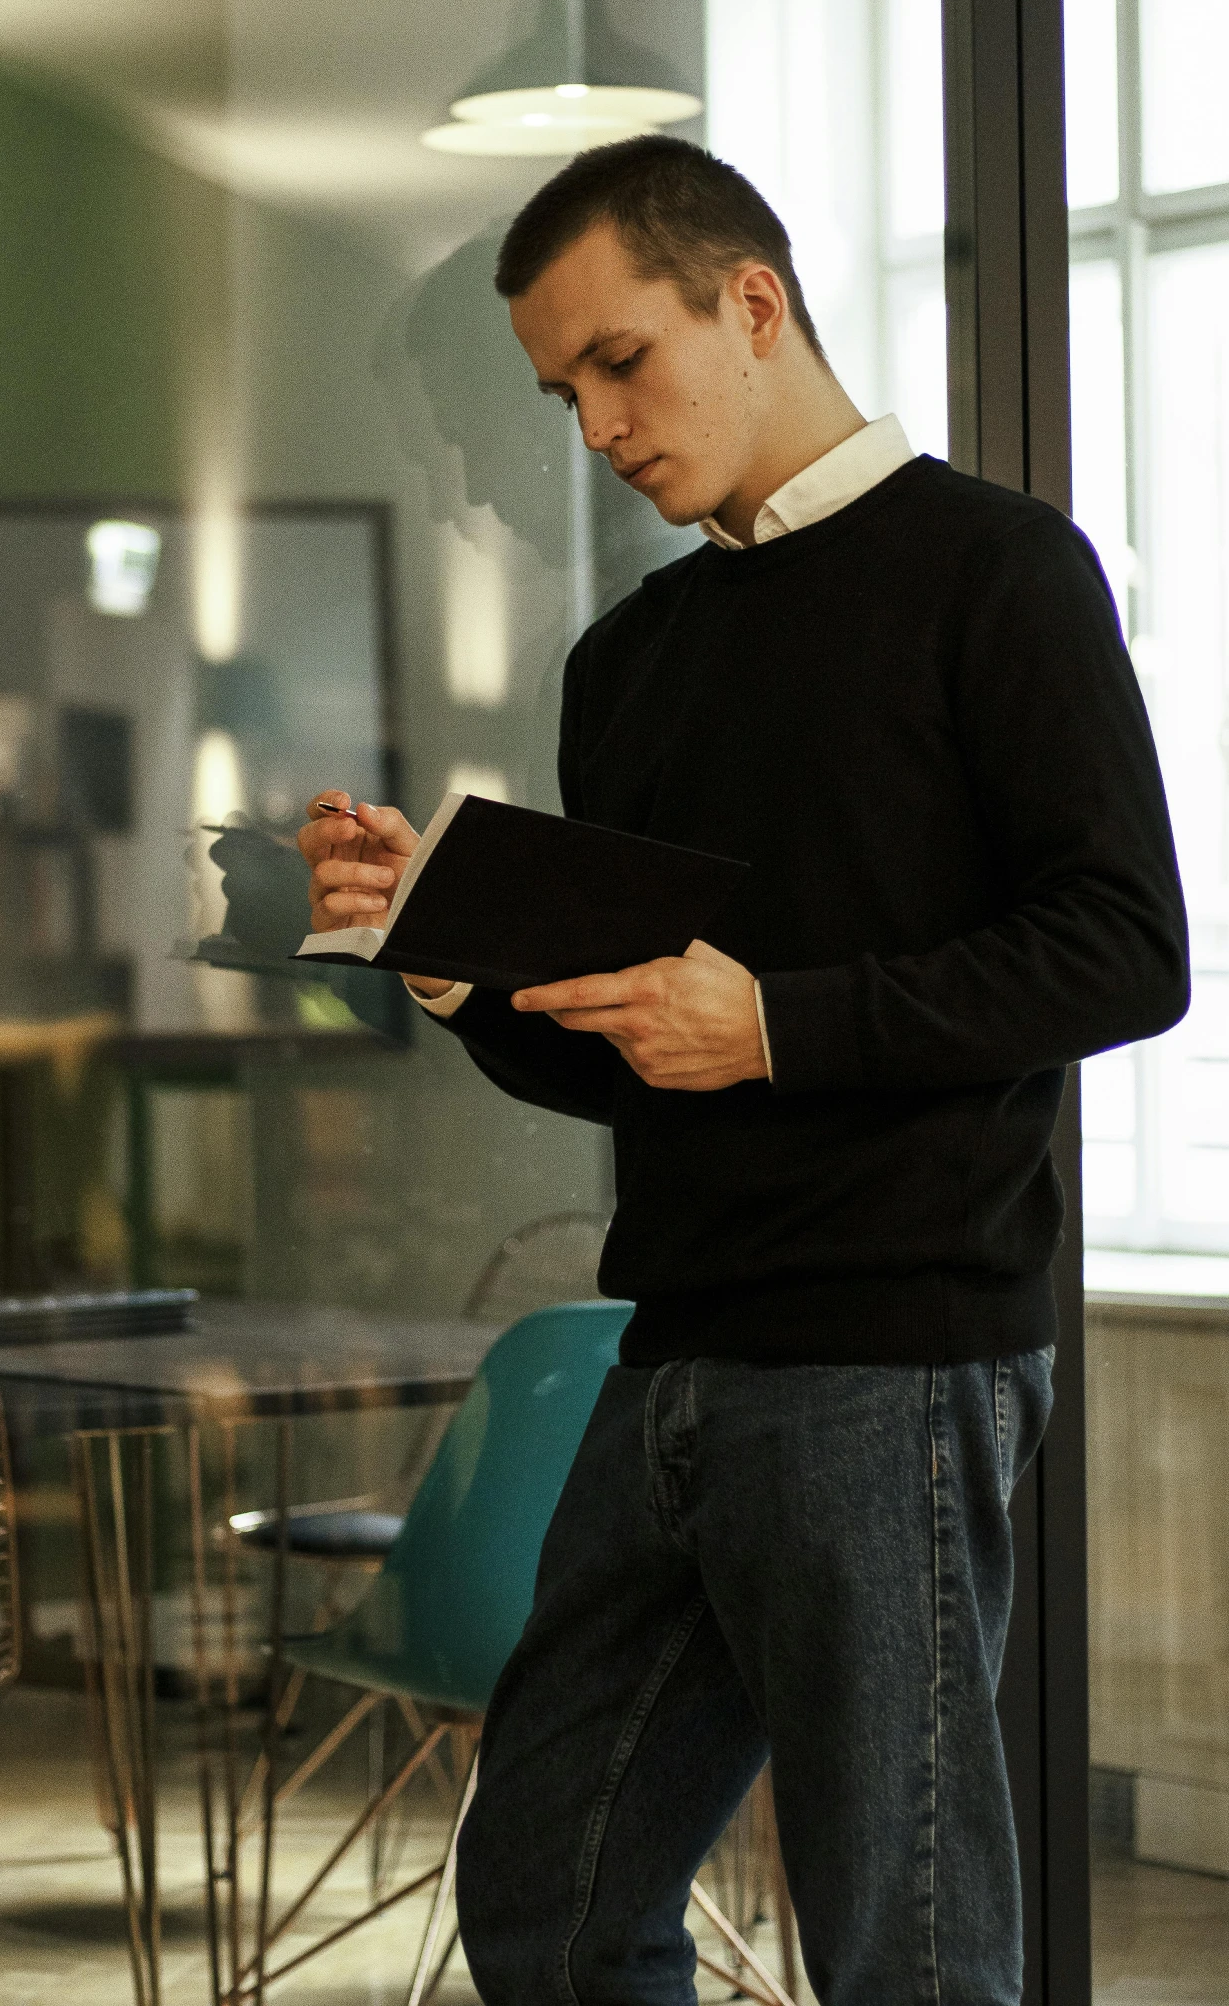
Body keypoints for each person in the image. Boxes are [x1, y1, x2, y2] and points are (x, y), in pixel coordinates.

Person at [297, 137, 1188, 2006]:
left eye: (622, 360)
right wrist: (455, 971)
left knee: (907, 1947)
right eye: (565, 391)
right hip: (676, 1360)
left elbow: (1127, 949)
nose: (597, 423)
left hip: (897, 1354)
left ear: (752, 301)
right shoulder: (627, 661)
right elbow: (633, 1068)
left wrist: (775, 1019)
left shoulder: (998, 571)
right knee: (544, 1896)